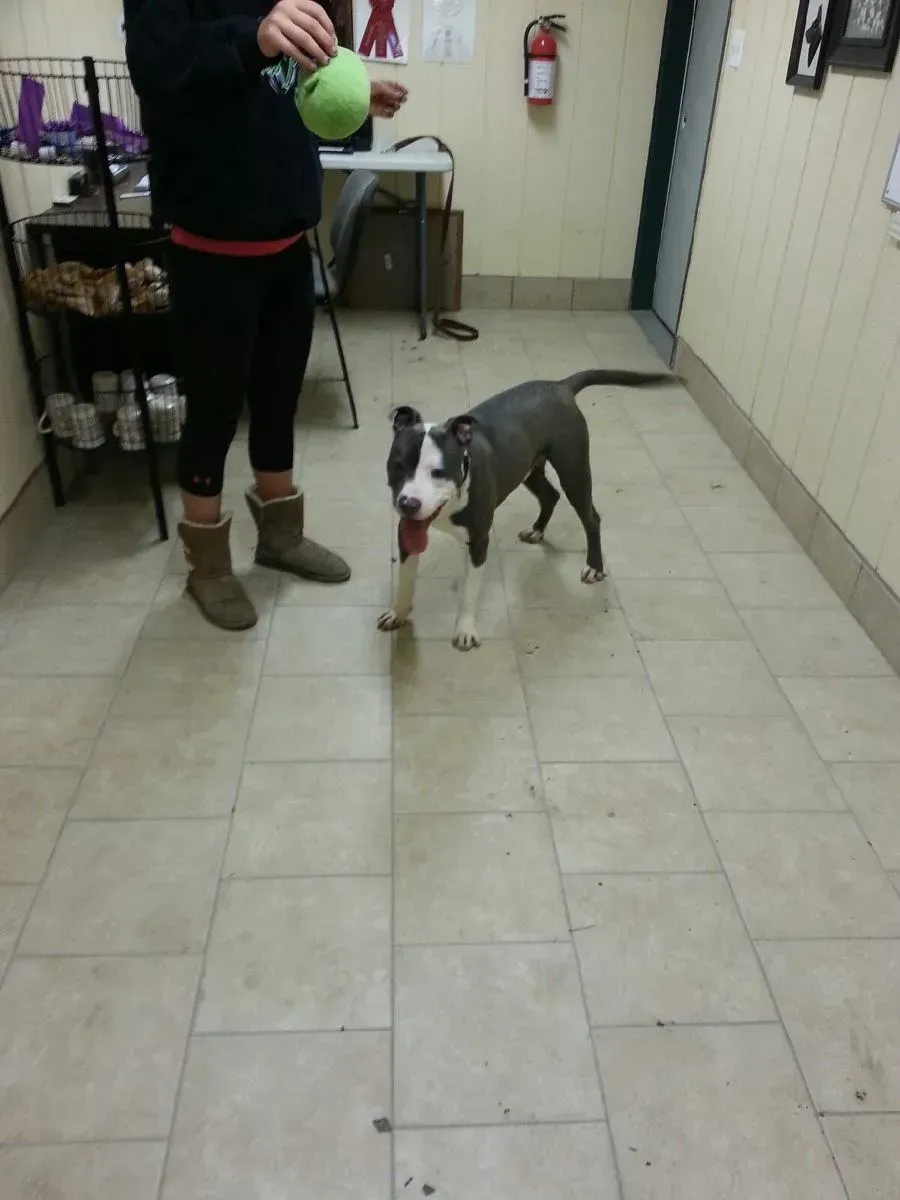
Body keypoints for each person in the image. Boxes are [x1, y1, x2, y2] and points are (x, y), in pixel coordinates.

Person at [124, 0, 407, 630]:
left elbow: (281, 93)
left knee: (279, 400)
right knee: (215, 413)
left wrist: (350, 95)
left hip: (285, 243)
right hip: (210, 252)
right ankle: (208, 568)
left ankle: (279, 538)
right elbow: (160, 69)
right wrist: (251, 38)